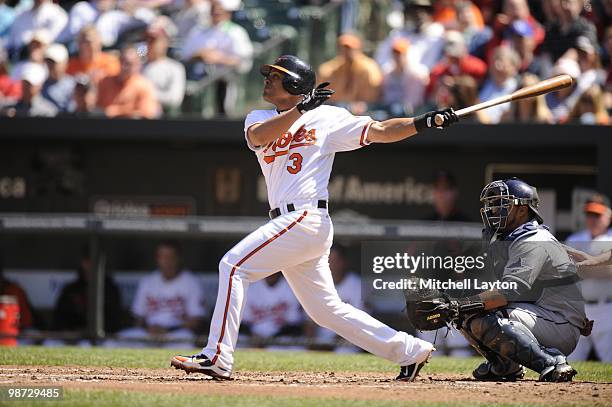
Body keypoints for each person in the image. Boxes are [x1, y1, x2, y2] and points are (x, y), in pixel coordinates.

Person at [170, 54, 459, 381]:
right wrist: (300, 110)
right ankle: (409, 350)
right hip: (293, 223)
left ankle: (217, 355)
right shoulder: (259, 116)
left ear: (294, 84)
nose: (267, 79)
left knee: (233, 266)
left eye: (276, 76)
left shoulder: (327, 118)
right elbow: (259, 138)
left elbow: (379, 130)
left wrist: (424, 122)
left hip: (305, 216)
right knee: (325, 311)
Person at [452, 178, 589, 381]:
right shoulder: (512, 238)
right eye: (492, 204)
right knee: (467, 311)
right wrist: (460, 305)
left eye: (501, 204)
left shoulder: (533, 240)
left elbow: (509, 291)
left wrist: (458, 305)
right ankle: (505, 366)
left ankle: (552, 362)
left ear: (522, 210)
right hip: (545, 314)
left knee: (481, 312)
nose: (493, 210)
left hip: (560, 323)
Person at [110, 241, 206, 348]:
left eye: (170, 257)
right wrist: (149, 329)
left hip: (176, 334)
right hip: (148, 333)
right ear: (157, 259)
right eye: (163, 257)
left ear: (178, 258)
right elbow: (138, 317)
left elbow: (196, 321)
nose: (166, 262)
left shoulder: (191, 282)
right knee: (113, 341)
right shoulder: (148, 281)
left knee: (188, 344)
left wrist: (167, 330)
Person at [181, 0, 253, 115]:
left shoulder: (236, 32)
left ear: (228, 13)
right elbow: (185, 54)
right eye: (213, 11)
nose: (215, 14)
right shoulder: (199, 30)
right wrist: (201, 54)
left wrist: (220, 58)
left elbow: (244, 61)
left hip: (225, 81)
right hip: (199, 79)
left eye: (219, 12)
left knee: (223, 112)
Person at [566, 194, 612, 362]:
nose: (592, 219)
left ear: (608, 215)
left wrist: (583, 269)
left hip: (607, 307)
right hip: (580, 307)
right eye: (589, 215)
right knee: (571, 360)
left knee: (610, 360)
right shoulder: (575, 239)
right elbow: (566, 272)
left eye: (597, 215)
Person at [51, 249, 123, 336]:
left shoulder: (111, 289)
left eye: (94, 261)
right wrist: (70, 331)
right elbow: (59, 319)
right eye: (87, 261)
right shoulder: (71, 289)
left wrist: (90, 332)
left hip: (102, 338)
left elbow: (114, 323)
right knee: (51, 343)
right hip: (73, 338)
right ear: (83, 263)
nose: (90, 265)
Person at [306, 244, 364, 352]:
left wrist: (331, 345)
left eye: (336, 260)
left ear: (344, 262)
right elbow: (309, 323)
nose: (331, 265)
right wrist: (312, 344)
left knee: (345, 351)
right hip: (320, 339)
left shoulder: (357, 285)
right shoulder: (316, 283)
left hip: (348, 339)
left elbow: (357, 324)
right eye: (328, 261)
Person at [318, 33, 382, 107]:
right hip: (336, 110)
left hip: (363, 112)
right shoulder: (330, 69)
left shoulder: (369, 69)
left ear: (359, 49)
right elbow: (323, 94)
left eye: (349, 49)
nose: (346, 52)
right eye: (342, 48)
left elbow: (371, 97)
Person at [96, 45, 160, 118]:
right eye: (122, 61)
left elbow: (147, 113)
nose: (124, 67)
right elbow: (97, 108)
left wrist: (116, 111)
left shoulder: (144, 86)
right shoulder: (105, 82)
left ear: (138, 64)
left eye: (129, 64)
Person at [240, 273, 304, 345]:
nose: (271, 274)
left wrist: (272, 338)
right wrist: (252, 335)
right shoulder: (251, 288)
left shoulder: (291, 288)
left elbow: (293, 324)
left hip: (281, 337)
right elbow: (244, 322)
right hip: (252, 337)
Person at [142, 20, 185, 114]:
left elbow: (175, 99)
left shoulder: (174, 68)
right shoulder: (137, 65)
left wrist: (145, 93)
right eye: (147, 40)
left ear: (165, 42)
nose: (150, 44)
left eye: (154, 40)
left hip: (162, 119)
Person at [477, 45, 520, 124]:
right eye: (495, 60)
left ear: (513, 66)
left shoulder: (518, 87)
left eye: (501, 60)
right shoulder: (482, 85)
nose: (497, 65)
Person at [41, 43, 75, 112]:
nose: (51, 65)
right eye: (48, 62)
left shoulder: (73, 85)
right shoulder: (39, 85)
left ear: (65, 63)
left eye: (54, 62)